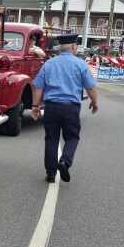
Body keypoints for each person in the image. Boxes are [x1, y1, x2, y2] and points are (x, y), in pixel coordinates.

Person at [30, 34, 98, 183]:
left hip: (51, 106)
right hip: (71, 107)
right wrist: (95, 102)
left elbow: (38, 86)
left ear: (60, 48)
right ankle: (65, 162)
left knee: (51, 138)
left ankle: (51, 173)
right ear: (74, 47)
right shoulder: (80, 64)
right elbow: (90, 87)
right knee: (72, 137)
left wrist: (35, 106)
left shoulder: (49, 64)